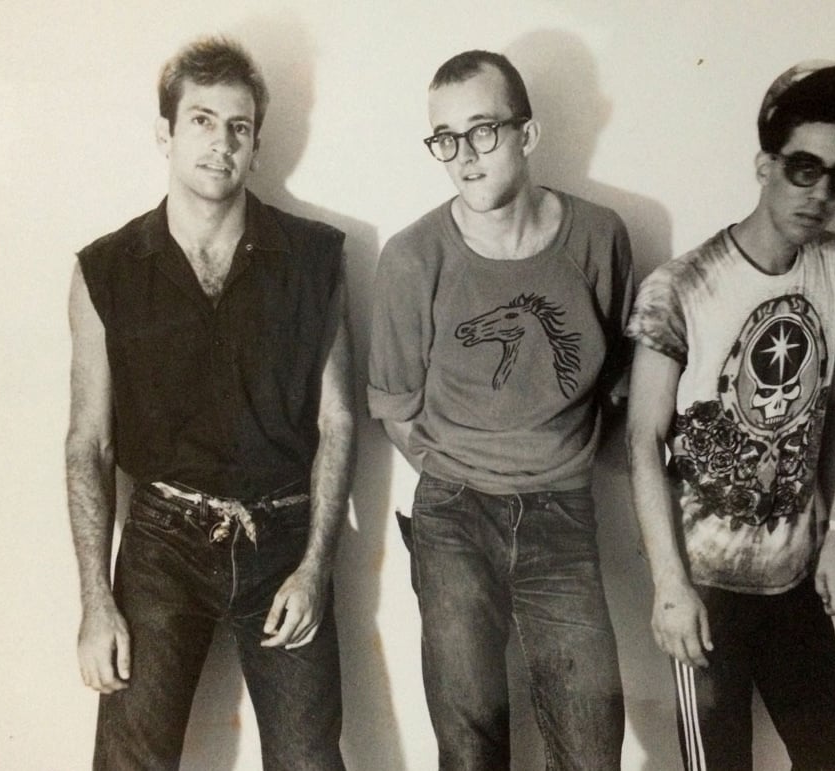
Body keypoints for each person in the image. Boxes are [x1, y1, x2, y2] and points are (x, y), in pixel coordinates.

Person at [66, 36, 353, 770]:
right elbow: (89, 444)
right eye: (201, 120)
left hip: (284, 535)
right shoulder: (105, 271)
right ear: (165, 132)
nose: (220, 143)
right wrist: (97, 601)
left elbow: (336, 419)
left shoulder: (315, 258)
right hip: (161, 541)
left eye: (239, 126)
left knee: (310, 760)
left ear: (256, 144)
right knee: (129, 759)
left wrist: (316, 566)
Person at [626, 61, 835, 770]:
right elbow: (642, 439)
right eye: (803, 168)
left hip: (794, 578)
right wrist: (669, 587)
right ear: (765, 164)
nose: (821, 193)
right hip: (706, 589)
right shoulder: (681, 286)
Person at [367, 50, 632, 770]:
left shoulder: (599, 237)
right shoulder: (413, 257)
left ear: (528, 134)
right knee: (470, 740)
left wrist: (552, 459)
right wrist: (457, 471)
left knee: (590, 741)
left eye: (482, 131)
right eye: (445, 139)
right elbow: (394, 403)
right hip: (453, 512)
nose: (464, 157)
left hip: (563, 508)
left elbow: (614, 379)